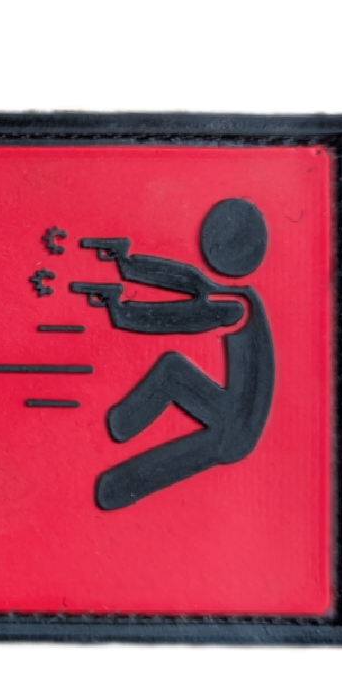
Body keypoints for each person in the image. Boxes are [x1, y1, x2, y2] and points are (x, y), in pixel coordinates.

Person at [71, 198, 275, 510]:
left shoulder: (238, 305)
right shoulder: (238, 296)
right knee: (173, 374)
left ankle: (120, 426)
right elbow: (189, 281)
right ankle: (120, 430)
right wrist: (127, 264)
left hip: (234, 425)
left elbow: (183, 316)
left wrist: (122, 311)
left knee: (173, 372)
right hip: (231, 419)